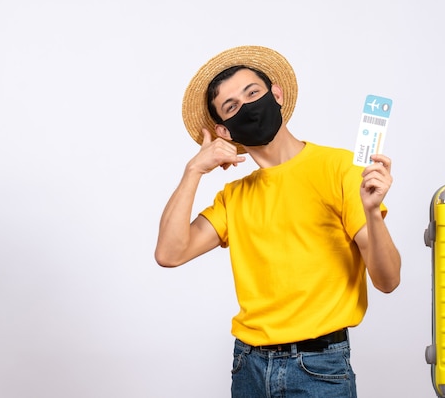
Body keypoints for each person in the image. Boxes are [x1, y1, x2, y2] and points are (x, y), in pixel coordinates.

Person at [155, 45, 401, 398]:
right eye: (232, 106)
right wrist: (193, 170)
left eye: (252, 92)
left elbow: (388, 280)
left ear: (277, 95)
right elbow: (169, 253)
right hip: (249, 368)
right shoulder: (233, 197)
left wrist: (373, 212)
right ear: (224, 130)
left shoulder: (343, 170)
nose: (247, 106)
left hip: (319, 369)